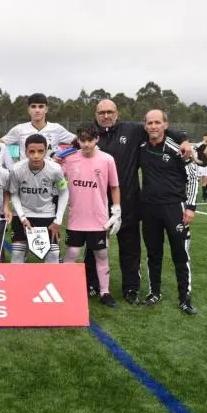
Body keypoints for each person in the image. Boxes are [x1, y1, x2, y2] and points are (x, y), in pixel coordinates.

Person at [82, 98, 191, 305]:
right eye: (101, 112)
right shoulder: (90, 134)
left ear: (117, 113)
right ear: (95, 115)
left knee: (130, 247)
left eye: (110, 112)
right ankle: (92, 283)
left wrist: (183, 138)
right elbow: (72, 149)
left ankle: (131, 288)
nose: (106, 116)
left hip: (129, 201)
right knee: (94, 246)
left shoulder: (132, 130)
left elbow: (159, 129)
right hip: (96, 203)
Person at [138, 110, 198, 315]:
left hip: (175, 208)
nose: (153, 126)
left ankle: (185, 298)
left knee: (180, 255)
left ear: (165, 125)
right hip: (149, 209)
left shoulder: (178, 149)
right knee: (153, 254)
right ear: (145, 125)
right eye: (149, 123)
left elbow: (193, 177)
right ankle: (154, 292)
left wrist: (190, 207)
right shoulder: (142, 147)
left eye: (157, 122)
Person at [61, 123, 121, 308]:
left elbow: (114, 187)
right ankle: (64, 289)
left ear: (97, 139)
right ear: (78, 140)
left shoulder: (107, 159)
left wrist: (116, 209)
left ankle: (105, 292)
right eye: (82, 140)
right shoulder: (69, 159)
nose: (86, 144)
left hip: (98, 219)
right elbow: (57, 180)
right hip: (76, 218)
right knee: (72, 253)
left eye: (90, 140)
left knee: (101, 254)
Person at [9, 134, 69, 264]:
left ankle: (51, 284)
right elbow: (14, 194)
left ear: (46, 151)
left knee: (53, 254)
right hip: (23, 215)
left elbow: (64, 193)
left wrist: (58, 221)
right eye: (31, 151)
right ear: (25, 152)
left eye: (40, 151)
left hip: (47, 215)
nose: (36, 155)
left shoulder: (55, 169)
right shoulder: (16, 169)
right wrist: (23, 218)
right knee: (17, 253)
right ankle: (17, 284)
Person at [0, 93, 75, 160]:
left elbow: (79, 141)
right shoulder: (19, 129)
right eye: (33, 106)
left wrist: (63, 155)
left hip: (50, 175)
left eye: (41, 106)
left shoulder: (57, 129)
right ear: (28, 110)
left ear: (46, 109)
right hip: (26, 174)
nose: (37, 110)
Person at [195, 133, 207, 201]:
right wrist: (196, 159)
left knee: (205, 180)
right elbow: (192, 151)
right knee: (196, 180)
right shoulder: (199, 144)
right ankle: (193, 193)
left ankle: (204, 196)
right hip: (199, 165)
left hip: (206, 165)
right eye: (206, 137)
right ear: (203, 137)